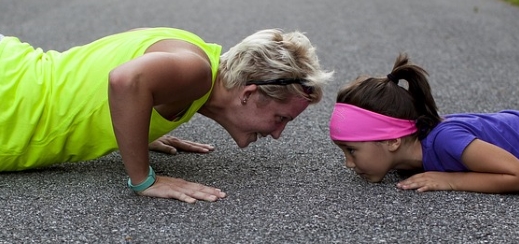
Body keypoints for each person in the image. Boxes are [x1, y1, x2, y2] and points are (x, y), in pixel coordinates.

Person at [0, 27, 333, 203]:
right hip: (11, 104)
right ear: (249, 94)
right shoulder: (197, 72)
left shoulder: (196, 56)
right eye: (281, 118)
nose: (278, 134)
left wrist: (136, 125)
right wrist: (145, 178)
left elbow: (108, 72)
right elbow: (125, 80)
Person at [328, 53, 519, 194]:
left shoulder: (445, 140)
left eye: (352, 150)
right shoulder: (411, 156)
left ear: (392, 140)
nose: (349, 163)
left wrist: (451, 181)